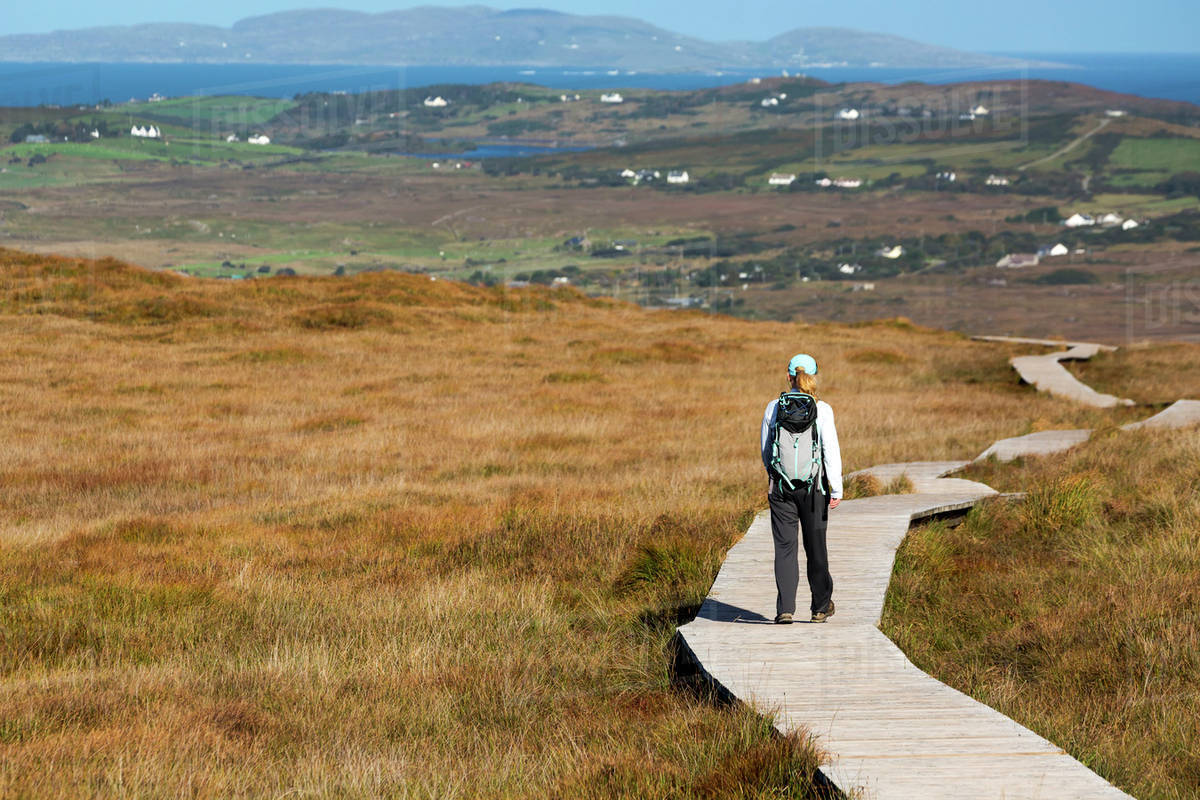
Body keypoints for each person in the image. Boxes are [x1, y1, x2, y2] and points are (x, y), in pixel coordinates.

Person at [760, 353, 843, 624]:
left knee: (785, 548)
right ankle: (820, 607)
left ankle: (785, 609)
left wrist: (776, 476)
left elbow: (765, 449)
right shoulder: (824, 409)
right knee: (815, 546)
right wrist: (837, 488)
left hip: (781, 488)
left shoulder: (774, 407)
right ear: (814, 377)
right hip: (815, 489)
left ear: (788, 377)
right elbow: (830, 450)